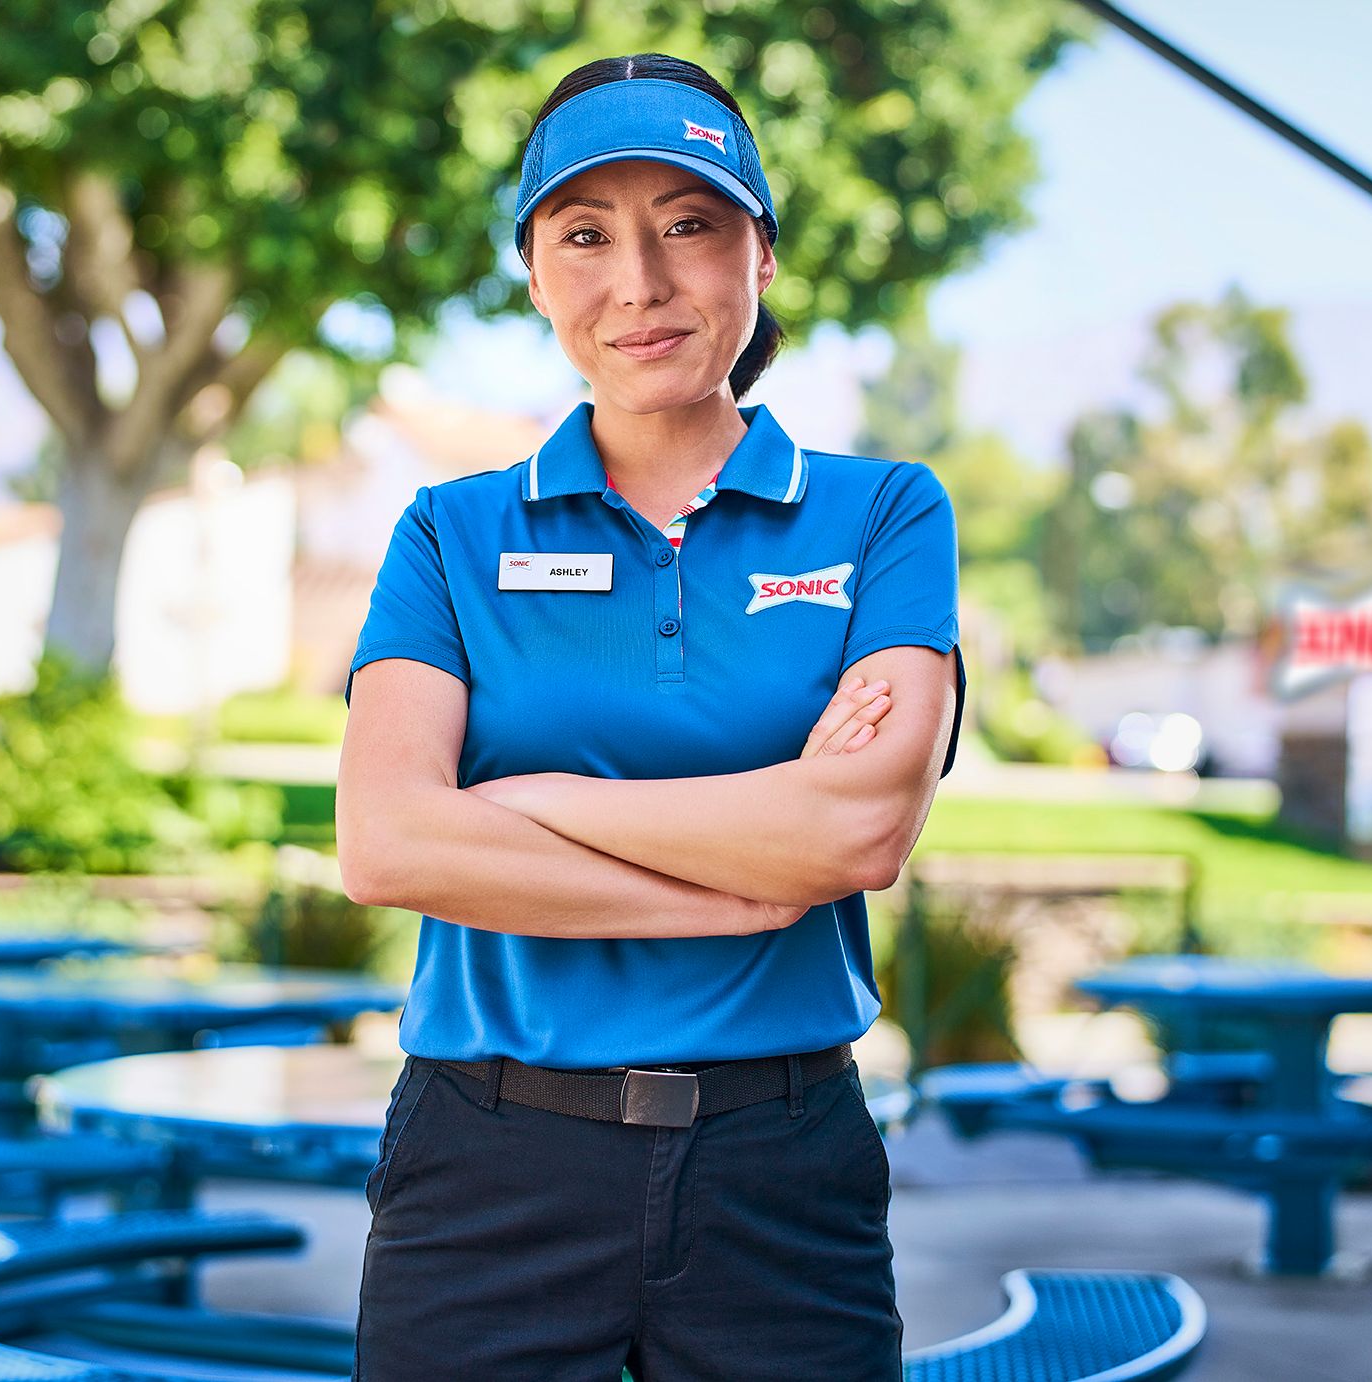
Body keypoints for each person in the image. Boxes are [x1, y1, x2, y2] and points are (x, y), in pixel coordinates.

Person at [336, 51, 965, 1382]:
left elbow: (853, 826)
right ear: (533, 273)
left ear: (760, 254)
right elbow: (390, 842)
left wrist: (529, 804)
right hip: (487, 1164)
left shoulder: (885, 513)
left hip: (777, 1164)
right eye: (585, 234)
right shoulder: (450, 532)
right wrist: (741, 879)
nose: (640, 281)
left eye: (688, 223)